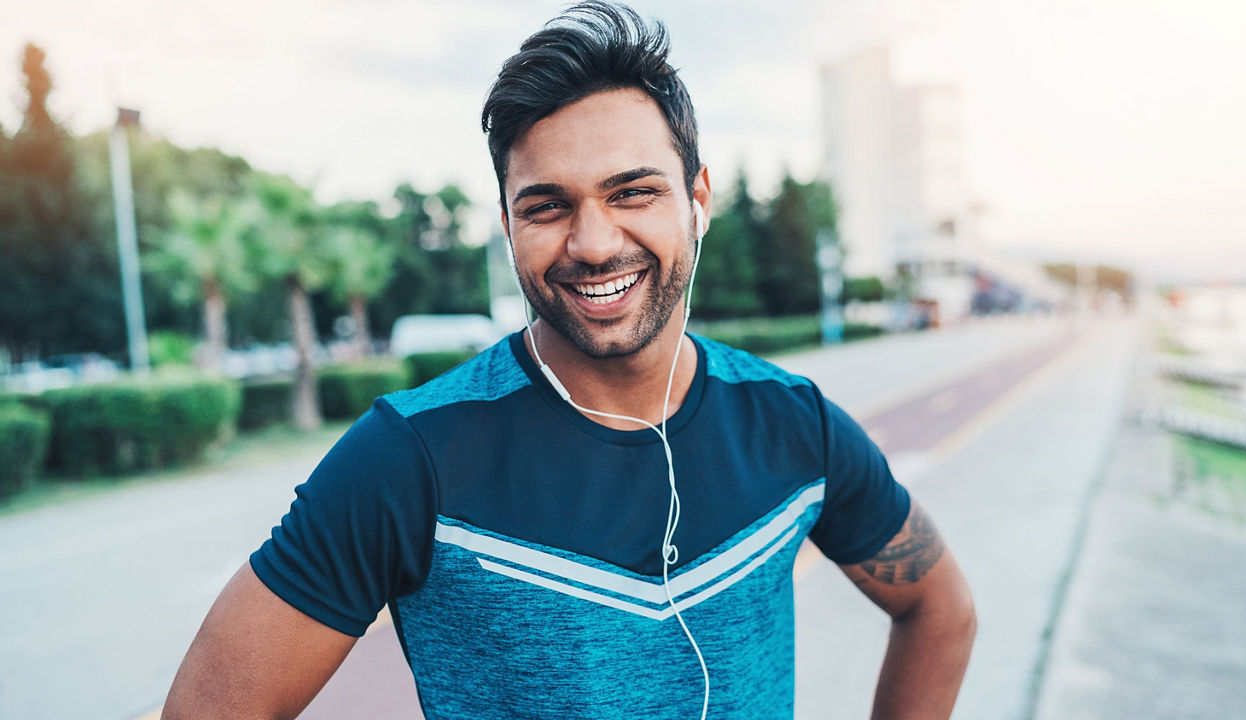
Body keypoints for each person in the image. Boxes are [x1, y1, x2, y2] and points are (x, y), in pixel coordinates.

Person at [162, 3, 976, 718]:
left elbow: (940, 610)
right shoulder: (412, 459)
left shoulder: (793, 425)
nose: (592, 244)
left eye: (633, 192)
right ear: (509, 226)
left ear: (698, 200)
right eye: (547, 207)